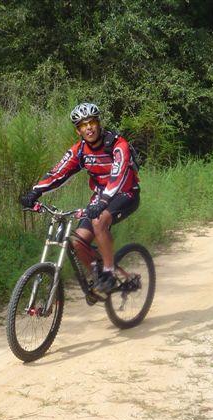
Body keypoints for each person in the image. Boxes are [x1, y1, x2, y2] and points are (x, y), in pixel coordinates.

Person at [20, 102, 140, 293]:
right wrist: (35, 191)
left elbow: (118, 177)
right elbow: (58, 173)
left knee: (99, 222)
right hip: (101, 196)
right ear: (78, 131)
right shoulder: (80, 150)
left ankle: (108, 272)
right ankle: (100, 274)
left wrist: (102, 202)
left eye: (91, 122)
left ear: (99, 123)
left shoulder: (118, 145)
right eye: (83, 125)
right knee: (77, 241)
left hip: (126, 193)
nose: (89, 128)